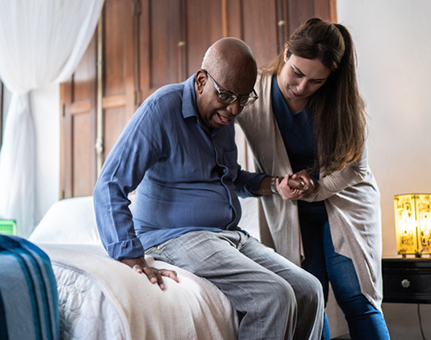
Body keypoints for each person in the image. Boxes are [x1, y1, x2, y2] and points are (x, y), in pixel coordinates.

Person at [93, 37, 324, 340]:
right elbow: (110, 184)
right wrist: (129, 256)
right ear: (202, 80)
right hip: (174, 236)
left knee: (309, 289)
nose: (234, 109)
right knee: (274, 295)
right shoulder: (162, 110)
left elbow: (231, 177)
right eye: (227, 96)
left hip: (228, 236)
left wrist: (273, 185)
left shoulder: (221, 120)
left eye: (244, 98)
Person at [236, 18, 390, 340]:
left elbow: (355, 168)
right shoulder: (254, 96)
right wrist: (276, 184)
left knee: (356, 296)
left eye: (316, 81)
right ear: (287, 52)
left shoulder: (341, 102)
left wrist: (315, 187)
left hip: (344, 202)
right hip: (292, 210)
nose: (302, 87)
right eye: (297, 73)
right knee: (309, 297)